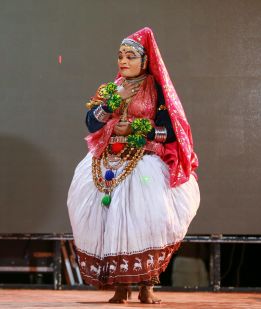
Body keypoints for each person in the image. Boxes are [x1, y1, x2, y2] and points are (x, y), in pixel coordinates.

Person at [67, 27, 200, 304]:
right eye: (120, 56)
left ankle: (147, 286)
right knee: (108, 222)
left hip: (144, 165)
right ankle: (120, 288)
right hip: (107, 162)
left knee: (147, 221)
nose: (123, 61)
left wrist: (141, 130)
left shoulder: (157, 90)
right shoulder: (110, 89)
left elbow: (171, 132)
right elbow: (91, 123)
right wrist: (111, 108)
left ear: (144, 60)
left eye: (130, 56)